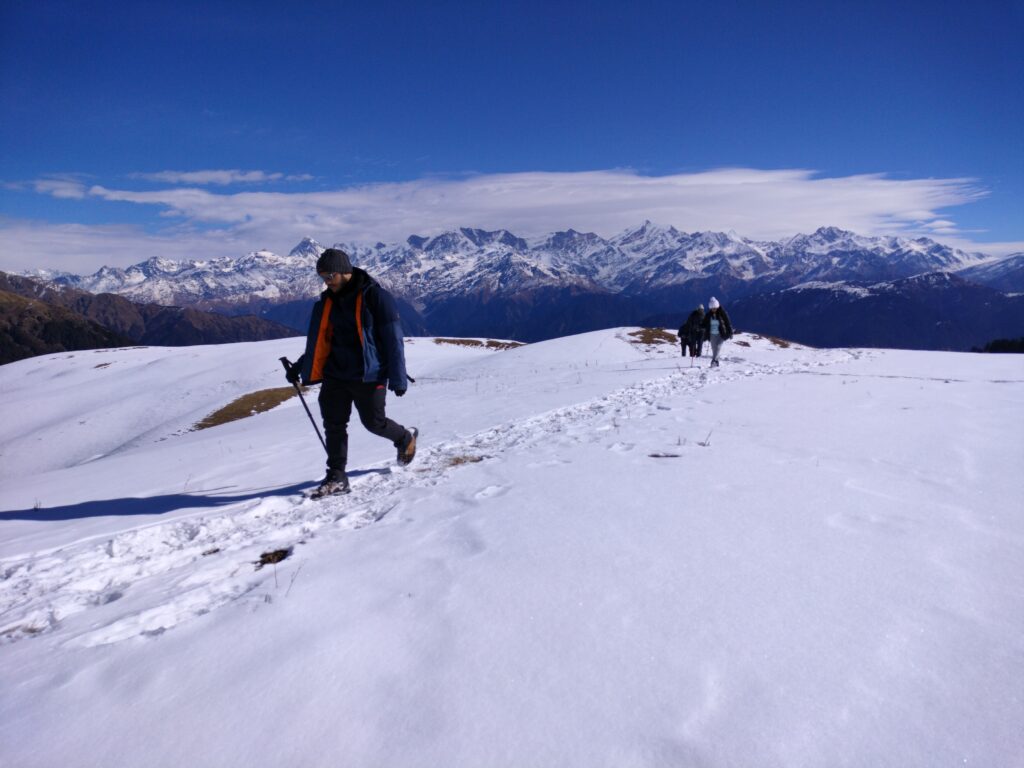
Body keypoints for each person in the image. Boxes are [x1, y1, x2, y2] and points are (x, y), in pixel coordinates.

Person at [284, 248, 417, 497]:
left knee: (374, 423)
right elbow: (321, 340)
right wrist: (300, 367)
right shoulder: (327, 301)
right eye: (322, 277)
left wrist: (398, 377)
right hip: (335, 374)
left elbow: (393, 339)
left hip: (369, 374)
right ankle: (336, 475)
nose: (326, 282)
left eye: (329, 276)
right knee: (333, 424)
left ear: (344, 272)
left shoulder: (376, 297)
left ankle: (404, 437)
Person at [700, 297, 733, 367]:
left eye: (714, 308)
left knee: (718, 347)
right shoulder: (708, 315)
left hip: (721, 333)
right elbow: (704, 323)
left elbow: (727, 322)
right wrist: (699, 327)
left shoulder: (722, 313)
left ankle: (713, 361)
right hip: (712, 334)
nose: (713, 310)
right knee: (714, 348)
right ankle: (716, 361)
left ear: (717, 307)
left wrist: (730, 332)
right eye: (712, 308)